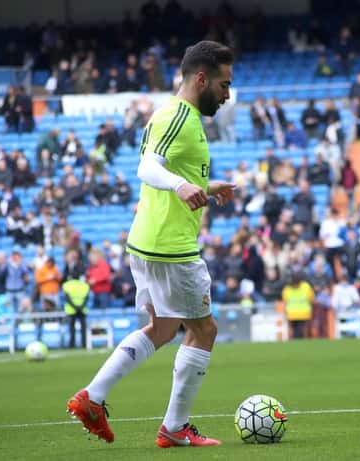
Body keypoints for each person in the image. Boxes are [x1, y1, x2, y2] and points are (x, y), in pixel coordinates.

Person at [67, 41, 235, 447]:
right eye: (224, 84)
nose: (227, 94)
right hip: (169, 245)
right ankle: (175, 429)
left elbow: (170, 173)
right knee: (204, 330)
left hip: (149, 240)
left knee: (161, 327)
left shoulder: (180, 117)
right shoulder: (178, 116)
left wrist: (205, 187)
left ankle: (92, 397)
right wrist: (180, 185)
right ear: (201, 78)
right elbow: (147, 168)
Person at [281, 271, 314, 339]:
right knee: (300, 330)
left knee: (297, 330)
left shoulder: (287, 288)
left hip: (294, 313)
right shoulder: (306, 286)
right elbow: (311, 298)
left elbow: (285, 300)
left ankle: (297, 341)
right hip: (302, 313)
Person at [63, 276, 90, 348]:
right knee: (83, 328)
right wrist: (80, 307)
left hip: (71, 310)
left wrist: (75, 307)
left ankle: (72, 345)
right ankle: (85, 344)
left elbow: (67, 298)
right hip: (82, 309)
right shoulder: (85, 285)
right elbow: (86, 298)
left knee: (72, 329)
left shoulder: (67, 284)